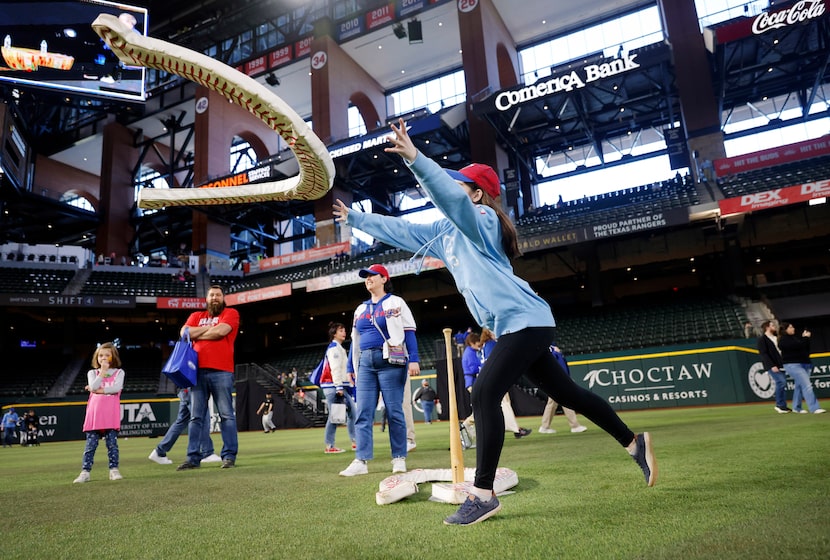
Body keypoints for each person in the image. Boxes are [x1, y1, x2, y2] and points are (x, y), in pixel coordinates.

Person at [333, 119, 657, 525]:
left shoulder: (483, 219)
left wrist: (415, 159)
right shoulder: (445, 232)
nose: (453, 190)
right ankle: (634, 443)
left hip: (527, 321)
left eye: (460, 185)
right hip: (517, 326)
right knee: (568, 393)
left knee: (485, 393)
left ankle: (483, 495)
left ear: (477, 195)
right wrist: (356, 219)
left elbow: (452, 202)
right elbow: (402, 230)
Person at [339, 264, 421, 477]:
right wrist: (350, 366)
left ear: (384, 279)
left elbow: (409, 332)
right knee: (363, 412)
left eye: (372, 275)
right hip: (365, 363)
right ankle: (361, 460)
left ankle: (399, 457)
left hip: (391, 361)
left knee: (394, 411)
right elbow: (355, 340)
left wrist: (414, 359)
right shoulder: (360, 309)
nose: (368, 279)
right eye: (365, 276)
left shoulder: (396, 302)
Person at [177, 285, 240, 471]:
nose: (215, 298)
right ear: (206, 298)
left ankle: (228, 457)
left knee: (226, 415)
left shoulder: (231, 313)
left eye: (218, 295)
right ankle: (193, 458)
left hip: (222, 371)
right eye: (211, 295)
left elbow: (221, 332)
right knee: (196, 417)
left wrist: (197, 332)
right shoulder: (196, 315)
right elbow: (184, 333)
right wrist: (209, 329)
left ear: (223, 298)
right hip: (197, 372)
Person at [73, 342, 125, 483]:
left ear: (113, 357)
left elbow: (116, 388)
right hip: (94, 414)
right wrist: (102, 372)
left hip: (110, 414)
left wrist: (98, 390)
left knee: (112, 445)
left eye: (107, 355)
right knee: (90, 446)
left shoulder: (119, 372)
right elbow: (94, 385)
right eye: (101, 355)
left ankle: (114, 470)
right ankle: (85, 472)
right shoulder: (92, 373)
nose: (103, 358)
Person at [479, 328, 532, 439]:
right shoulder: (491, 344)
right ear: (488, 333)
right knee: (503, 404)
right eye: (492, 330)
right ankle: (516, 430)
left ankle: (515, 429)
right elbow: (495, 362)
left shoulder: (486, 345)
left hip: (489, 378)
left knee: (494, 406)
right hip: (494, 378)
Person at [148, 387, 221, 465]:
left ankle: (159, 451)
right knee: (201, 419)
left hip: (184, 390)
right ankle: (207, 453)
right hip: (193, 390)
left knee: (181, 422)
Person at [319, 321, 357, 453]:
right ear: (334, 334)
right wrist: (339, 387)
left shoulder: (339, 348)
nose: (344, 333)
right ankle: (330, 446)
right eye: (341, 330)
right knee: (336, 416)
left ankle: (354, 441)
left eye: (344, 330)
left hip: (337, 386)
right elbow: (335, 369)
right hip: (334, 386)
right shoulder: (334, 349)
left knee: (350, 413)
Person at [778, 322, 825, 414]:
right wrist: (805, 338)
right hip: (792, 365)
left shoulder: (795, 338)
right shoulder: (783, 340)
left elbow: (805, 348)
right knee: (807, 385)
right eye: (790, 327)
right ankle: (814, 408)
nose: (793, 328)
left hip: (804, 363)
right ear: (785, 330)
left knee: (799, 386)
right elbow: (796, 346)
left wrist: (805, 339)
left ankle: (796, 407)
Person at [539, 346, 588, 434]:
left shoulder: (552, 348)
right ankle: (575, 426)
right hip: (556, 378)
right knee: (565, 400)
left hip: (558, 378)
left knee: (553, 403)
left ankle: (545, 426)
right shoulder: (550, 349)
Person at [757, 320, 790, 414]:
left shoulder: (776, 337)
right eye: (772, 325)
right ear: (767, 327)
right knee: (781, 382)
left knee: (782, 384)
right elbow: (764, 354)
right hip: (772, 365)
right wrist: (772, 365)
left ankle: (783, 406)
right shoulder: (762, 339)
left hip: (781, 364)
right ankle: (779, 405)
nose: (774, 326)